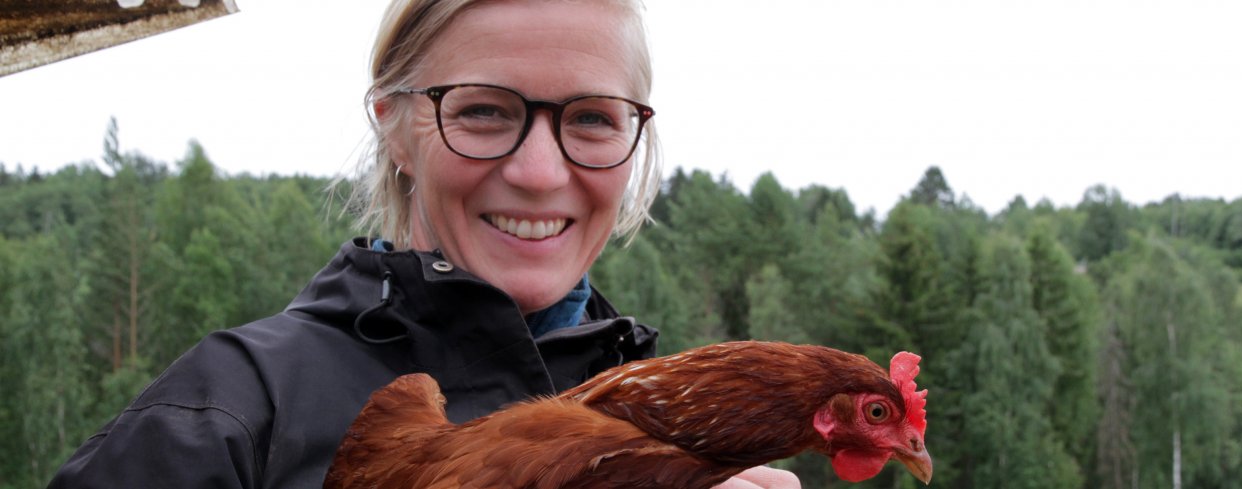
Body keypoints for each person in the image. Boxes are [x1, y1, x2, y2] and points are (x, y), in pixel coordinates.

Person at [49, 0, 799, 487]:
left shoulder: (689, 435)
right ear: (396, 128)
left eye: (593, 118)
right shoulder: (230, 416)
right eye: (481, 111)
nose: (539, 173)